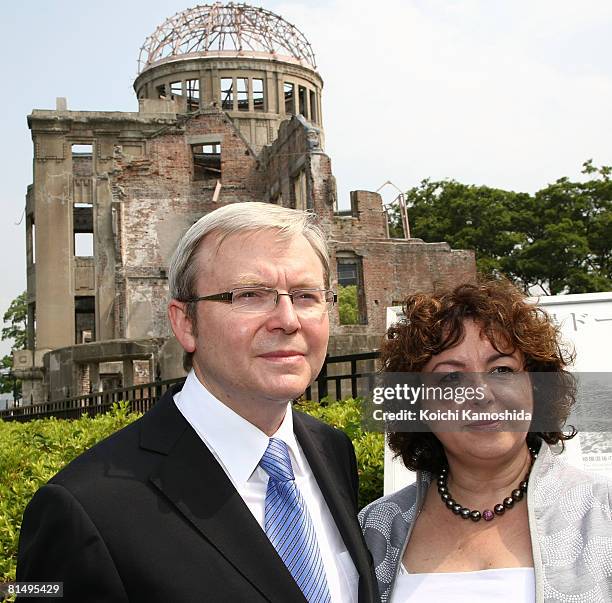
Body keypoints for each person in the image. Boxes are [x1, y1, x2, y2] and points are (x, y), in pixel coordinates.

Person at [17, 202, 377, 602]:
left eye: (306, 295)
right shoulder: (84, 510)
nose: (288, 319)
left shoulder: (332, 450)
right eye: (249, 295)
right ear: (186, 323)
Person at [359, 279, 612, 603]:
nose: (481, 394)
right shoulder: (376, 528)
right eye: (451, 376)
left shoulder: (602, 511)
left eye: (502, 370)